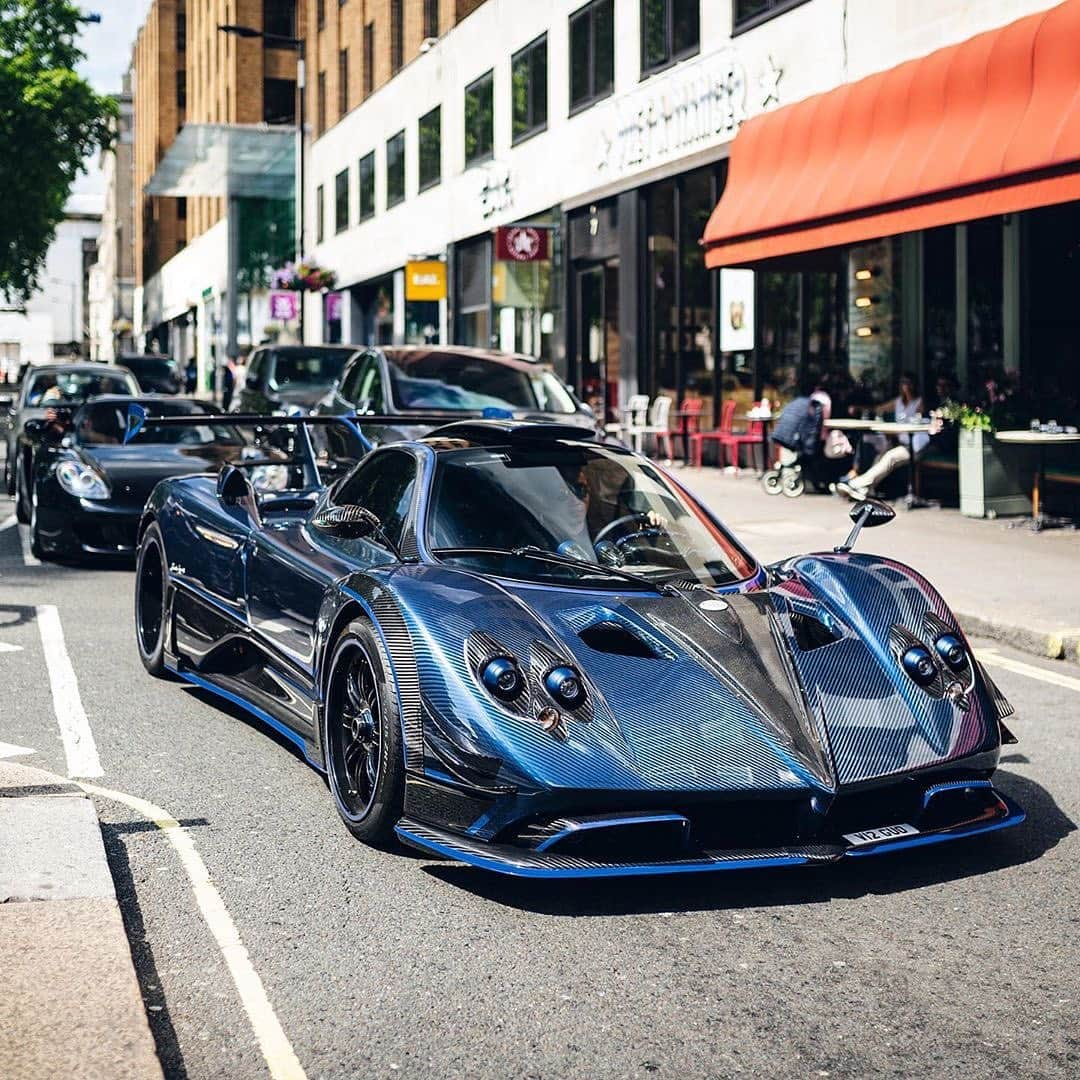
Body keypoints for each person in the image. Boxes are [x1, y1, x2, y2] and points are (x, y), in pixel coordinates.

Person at [836, 373, 940, 500]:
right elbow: (878, 409)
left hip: (917, 445)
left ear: (914, 385)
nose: (905, 386)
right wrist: (858, 408)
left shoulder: (920, 402)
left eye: (908, 382)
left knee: (891, 457)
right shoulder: (897, 402)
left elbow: (918, 421)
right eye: (903, 382)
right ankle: (867, 489)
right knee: (880, 456)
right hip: (902, 442)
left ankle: (855, 484)